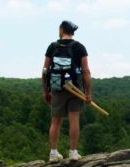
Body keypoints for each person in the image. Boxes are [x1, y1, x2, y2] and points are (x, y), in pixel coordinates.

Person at [41, 20, 92, 162]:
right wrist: (88, 93)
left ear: (62, 30)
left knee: (55, 121)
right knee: (74, 120)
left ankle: (53, 154)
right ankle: (73, 152)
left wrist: (45, 91)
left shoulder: (52, 47)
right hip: (75, 88)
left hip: (57, 87)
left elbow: (45, 71)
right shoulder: (80, 47)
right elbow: (86, 72)